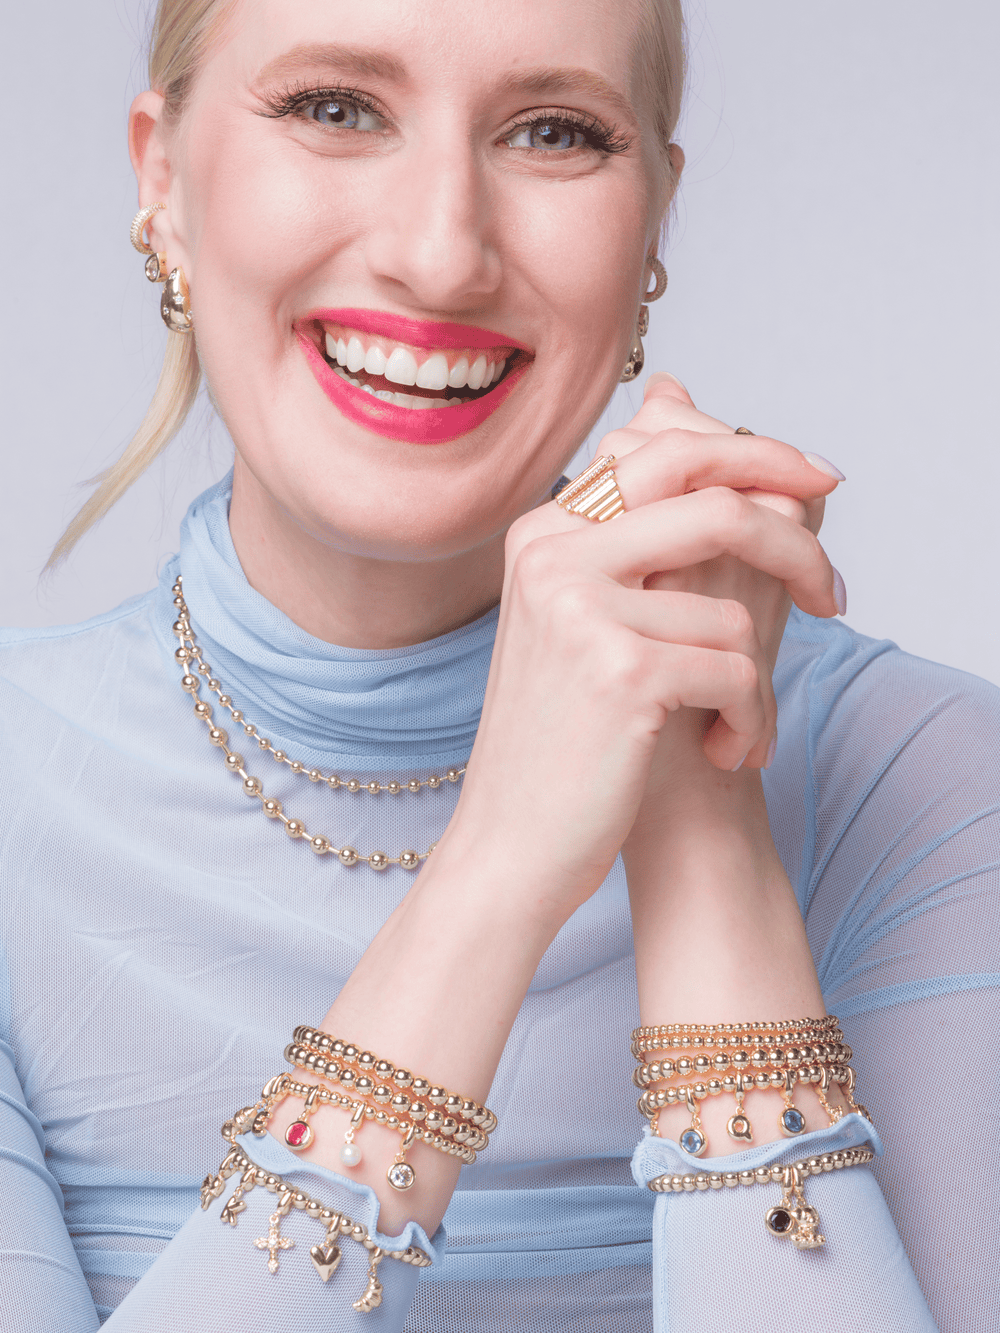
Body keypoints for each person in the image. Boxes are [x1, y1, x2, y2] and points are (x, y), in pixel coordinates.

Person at [1, 0, 996, 1329]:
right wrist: (497, 872)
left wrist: (702, 805)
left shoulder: (928, 785)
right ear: (163, 182)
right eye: (336, 108)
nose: (440, 252)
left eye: (553, 131)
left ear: (651, 224)